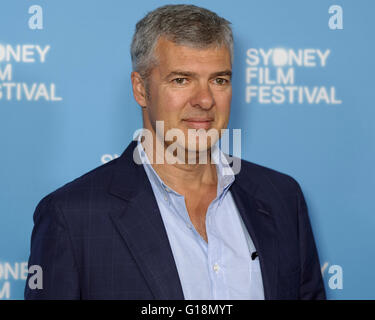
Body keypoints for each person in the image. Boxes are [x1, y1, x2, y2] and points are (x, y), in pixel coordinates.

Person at [25, 4, 326, 300]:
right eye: (181, 80)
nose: (205, 100)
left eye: (219, 80)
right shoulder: (73, 216)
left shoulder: (282, 198)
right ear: (141, 89)